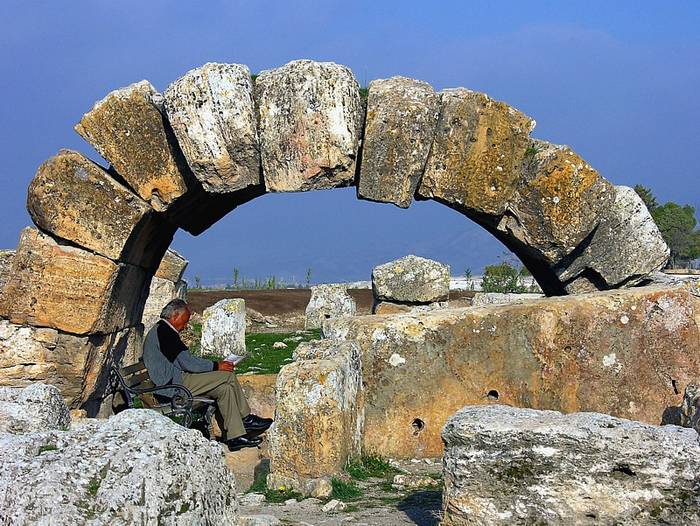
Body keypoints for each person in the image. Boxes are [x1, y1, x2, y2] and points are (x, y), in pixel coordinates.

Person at [142, 298, 272, 451]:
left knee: (224, 389)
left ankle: (235, 437)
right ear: (175, 316)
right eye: (185, 321)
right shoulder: (165, 332)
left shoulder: (162, 330)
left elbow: (183, 361)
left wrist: (214, 365)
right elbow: (188, 364)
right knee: (227, 376)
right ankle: (246, 418)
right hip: (172, 386)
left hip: (173, 380)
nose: (185, 326)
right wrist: (217, 365)